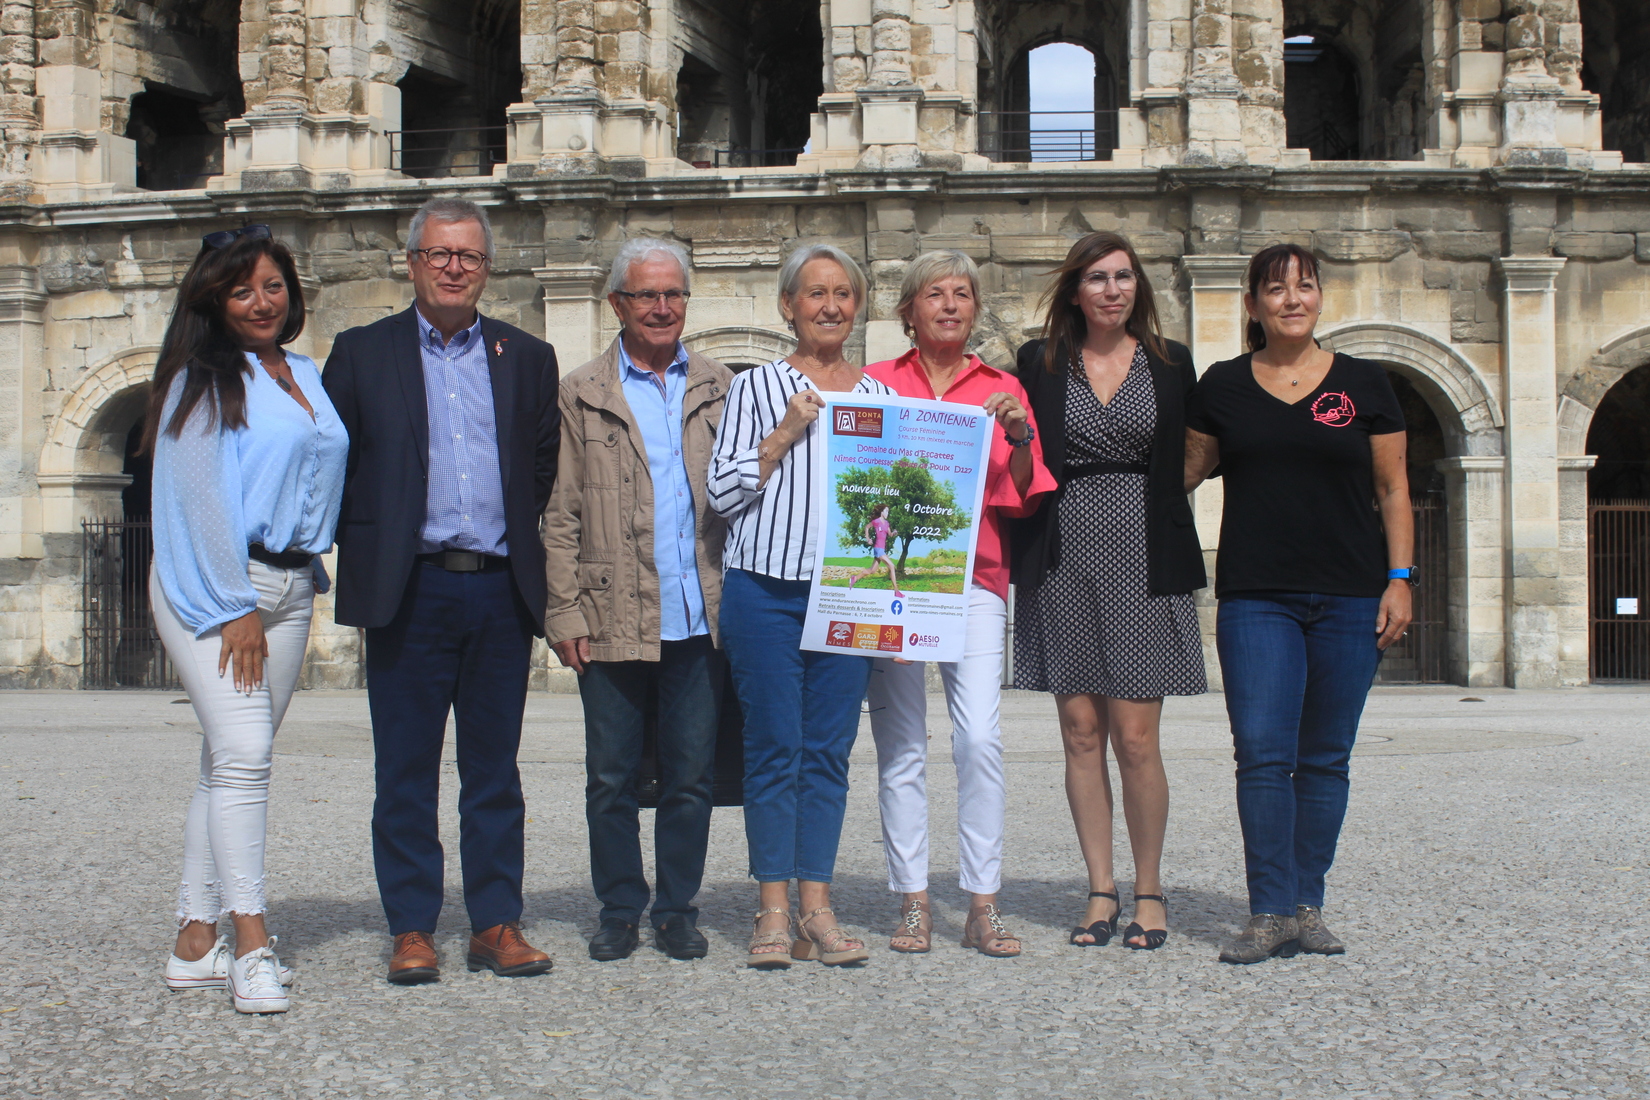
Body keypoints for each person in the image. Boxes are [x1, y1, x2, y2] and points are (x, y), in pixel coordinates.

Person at [322, 198, 561, 984]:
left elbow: (540, 467)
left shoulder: (525, 356)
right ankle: (413, 927)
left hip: (497, 590)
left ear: (487, 268)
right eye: (439, 253)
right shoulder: (361, 353)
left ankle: (496, 921)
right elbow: (338, 467)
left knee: (495, 769)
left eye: (469, 255)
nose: (454, 266)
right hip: (410, 588)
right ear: (413, 262)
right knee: (405, 768)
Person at [1183, 242, 1414, 964]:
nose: (1292, 299)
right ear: (1251, 304)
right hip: (1258, 597)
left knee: (1324, 759)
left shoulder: (1365, 383)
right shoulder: (1221, 386)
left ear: (1320, 298)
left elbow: (1394, 489)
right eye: (1275, 289)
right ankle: (1267, 910)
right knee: (1260, 756)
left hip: (1350, 595)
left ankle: (1307, 904)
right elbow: (1178, 478)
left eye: (1304, 286)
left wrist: (1400, 577)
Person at [148, 224, 348, 1013]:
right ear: (214, 301)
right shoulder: (201, 379)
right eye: (241, 290)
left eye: (272, 286)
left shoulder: (303, 372)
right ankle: (253, 943)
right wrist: (235, 608)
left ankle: (194, 940)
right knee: (245, 755)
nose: (261, 302)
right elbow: (197, 501)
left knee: (220, 762)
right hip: (217, 589)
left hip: (292, 585)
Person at [1008, 231, 1208, 951]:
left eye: (1124, 277)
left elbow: (1202, 445)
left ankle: (1149, 890)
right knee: (1080, 733)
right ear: (1075, 291)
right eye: (1097, 278)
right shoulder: (1040, 362)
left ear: (1138, 289)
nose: (1112, 289)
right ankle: (1099, 888)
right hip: (1063, 549)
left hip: (1144, 551)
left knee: (1136, 737)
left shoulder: (1170, 362)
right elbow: (1014, 452)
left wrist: (1168, 492)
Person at [543, 238, 732, 962]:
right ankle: (620, 906)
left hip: (696, 613)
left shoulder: (719, 384)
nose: (662, 308)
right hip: (610, 609)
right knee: (610, 777)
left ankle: (678, 907)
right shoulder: (582, 388)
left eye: (674, 294)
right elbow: (559, 512)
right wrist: (563, 611)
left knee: (691, 776)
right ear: (617, 303)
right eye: (646, 295)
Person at [863, 250, 1056, 956]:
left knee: (978, 739)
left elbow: (1028, 485)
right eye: (934, 294)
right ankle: (912, 899)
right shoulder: (876, 384)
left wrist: (1019, 434)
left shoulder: (1002, 386)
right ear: (908, 310)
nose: (949, 305)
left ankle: (982, 901)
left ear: (976, 309)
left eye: (962, 294)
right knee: (902, 745)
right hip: (897, 585)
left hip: (974, 578)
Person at [707, 244, 893, 969]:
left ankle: (818, 904)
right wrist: (784, 433)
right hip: (766, 591)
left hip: (848, 595)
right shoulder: (755, 387)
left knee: (829, 753)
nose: (829, 306)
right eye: (814, 293)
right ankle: (772, 908)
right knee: (773, 747)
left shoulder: (878, 397)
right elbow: (722, 496)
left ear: (857, 306)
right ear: (788, 305)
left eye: (843, 293)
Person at [846, 503, 902, 594]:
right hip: (878, 548)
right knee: (892, 566)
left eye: (888, 511)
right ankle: (896, 591)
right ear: (882, 512)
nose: (888, 513)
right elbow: (867, 527)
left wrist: (894, 532)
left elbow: (890, 535)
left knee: (872, 570)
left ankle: (855, 578)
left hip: (881, 549)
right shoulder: (876, 521)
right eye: (886, 511)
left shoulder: (887, 523)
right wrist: (868, 538)